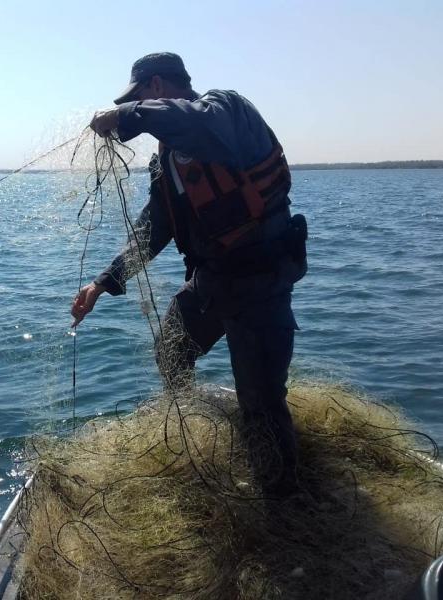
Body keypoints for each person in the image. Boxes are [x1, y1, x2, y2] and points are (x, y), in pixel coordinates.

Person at [70, 52, 308, 496]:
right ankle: (197, 432)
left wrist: (125, 114)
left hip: (261, 283)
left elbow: (197, 124)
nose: (137, 106)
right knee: (171, 350)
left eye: (140, 95)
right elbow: (153, 228)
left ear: (156, 87)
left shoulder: (226, 110)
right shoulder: (166, 163)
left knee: (261, 402)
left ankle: (284, 505)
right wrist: (103, 283)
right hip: (211, 281)